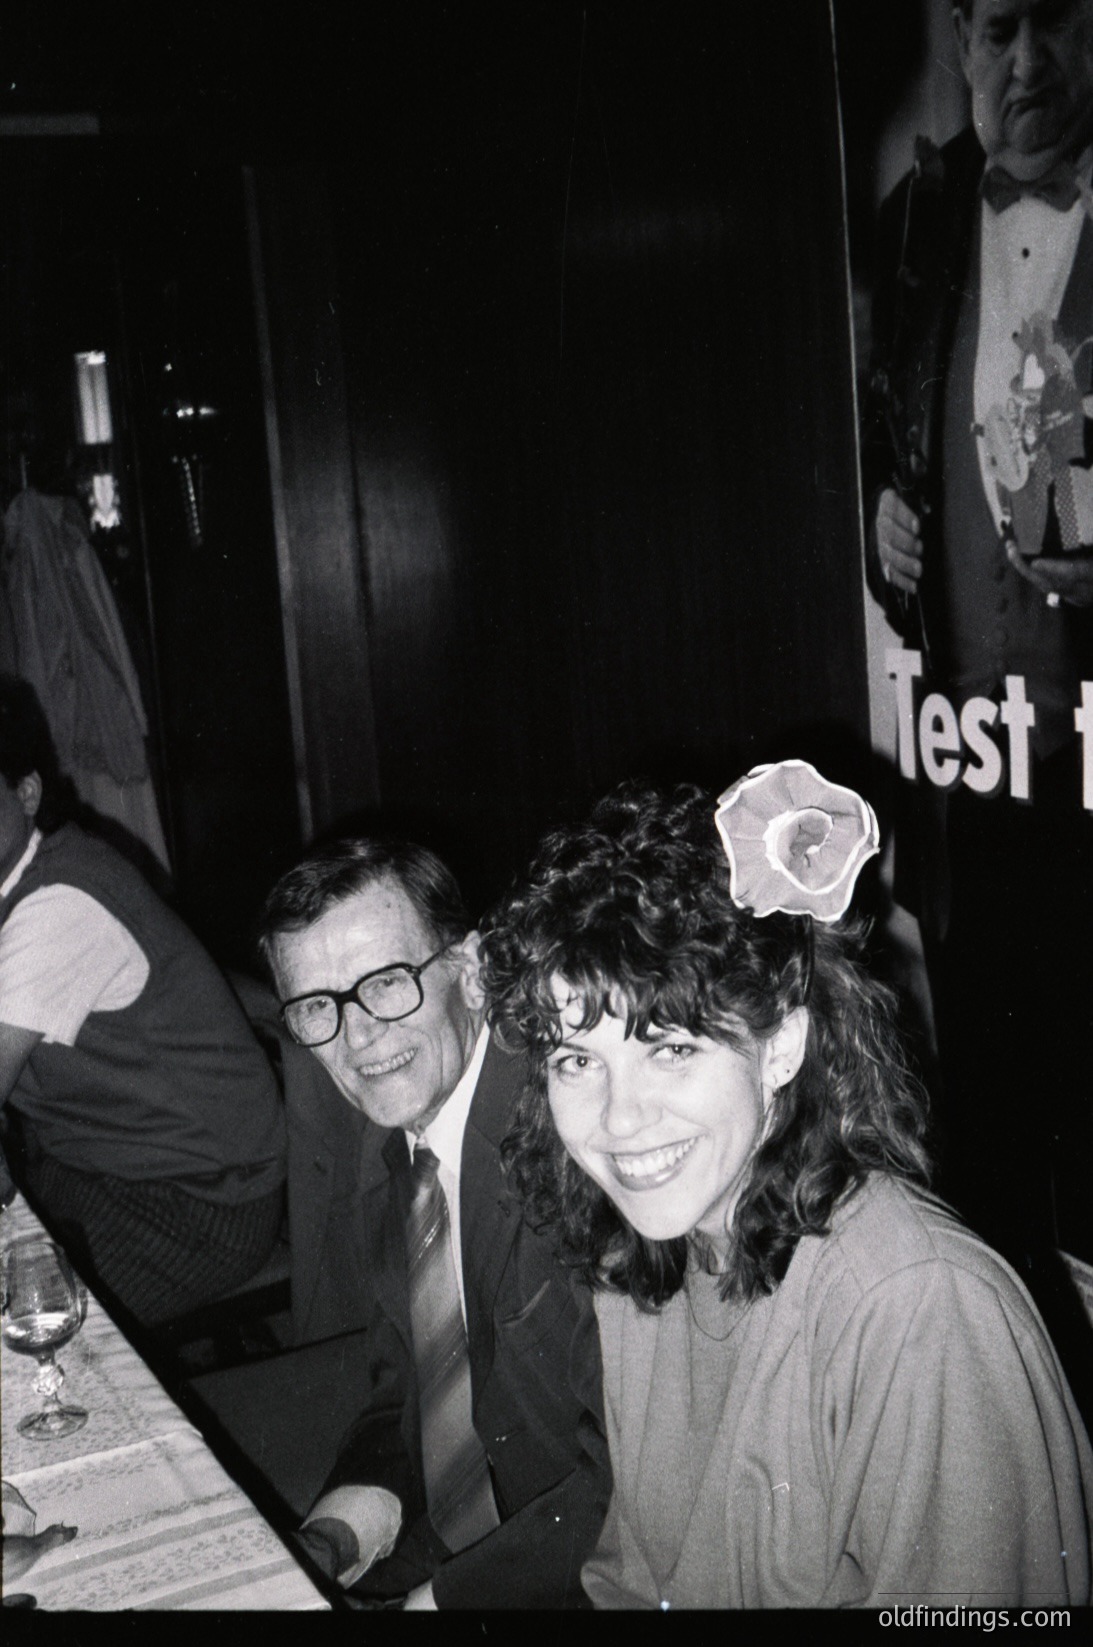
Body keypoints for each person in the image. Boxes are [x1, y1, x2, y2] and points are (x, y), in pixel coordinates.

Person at [479, 762, 1093, 1608]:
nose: (619, 1121)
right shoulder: (649, 1247)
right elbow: (629, 1583)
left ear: (781, 1047)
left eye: (672, 1047)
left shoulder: (920, 1311)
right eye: (577, 1060)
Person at [862, 0, 1093, 1275]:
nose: (1028, 65)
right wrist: (886, 521)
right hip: (972, 774)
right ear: (960, 44)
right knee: (997, 1124)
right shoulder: (917, 221)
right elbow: (897, 430)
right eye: (999, 30)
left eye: (1057, 25)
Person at [258, 835, 610, 1609]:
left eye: (385, 983)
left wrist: (433, 1604)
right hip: (470, 1543)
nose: (357, 1039)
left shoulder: (582, 1140)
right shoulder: (399, 1151)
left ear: (475, 972)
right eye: (317, 1005)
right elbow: (408, 1401)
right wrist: (333, 1539)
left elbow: (628, 1478)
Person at [0, 675, 285, 1326]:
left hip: (197, 1201)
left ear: (26, 793)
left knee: (28, 1321)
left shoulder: (59, 902)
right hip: (95, 1166)